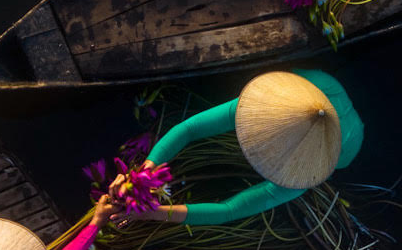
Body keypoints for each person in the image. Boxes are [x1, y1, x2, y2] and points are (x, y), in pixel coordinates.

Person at [111, 69, 364, 226]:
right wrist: (143, 175)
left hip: (347, 143)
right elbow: (189, 129)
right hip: (323, 87)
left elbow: (228, 210)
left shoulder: (302, 176)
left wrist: (153, 213)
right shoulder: (270, 103)